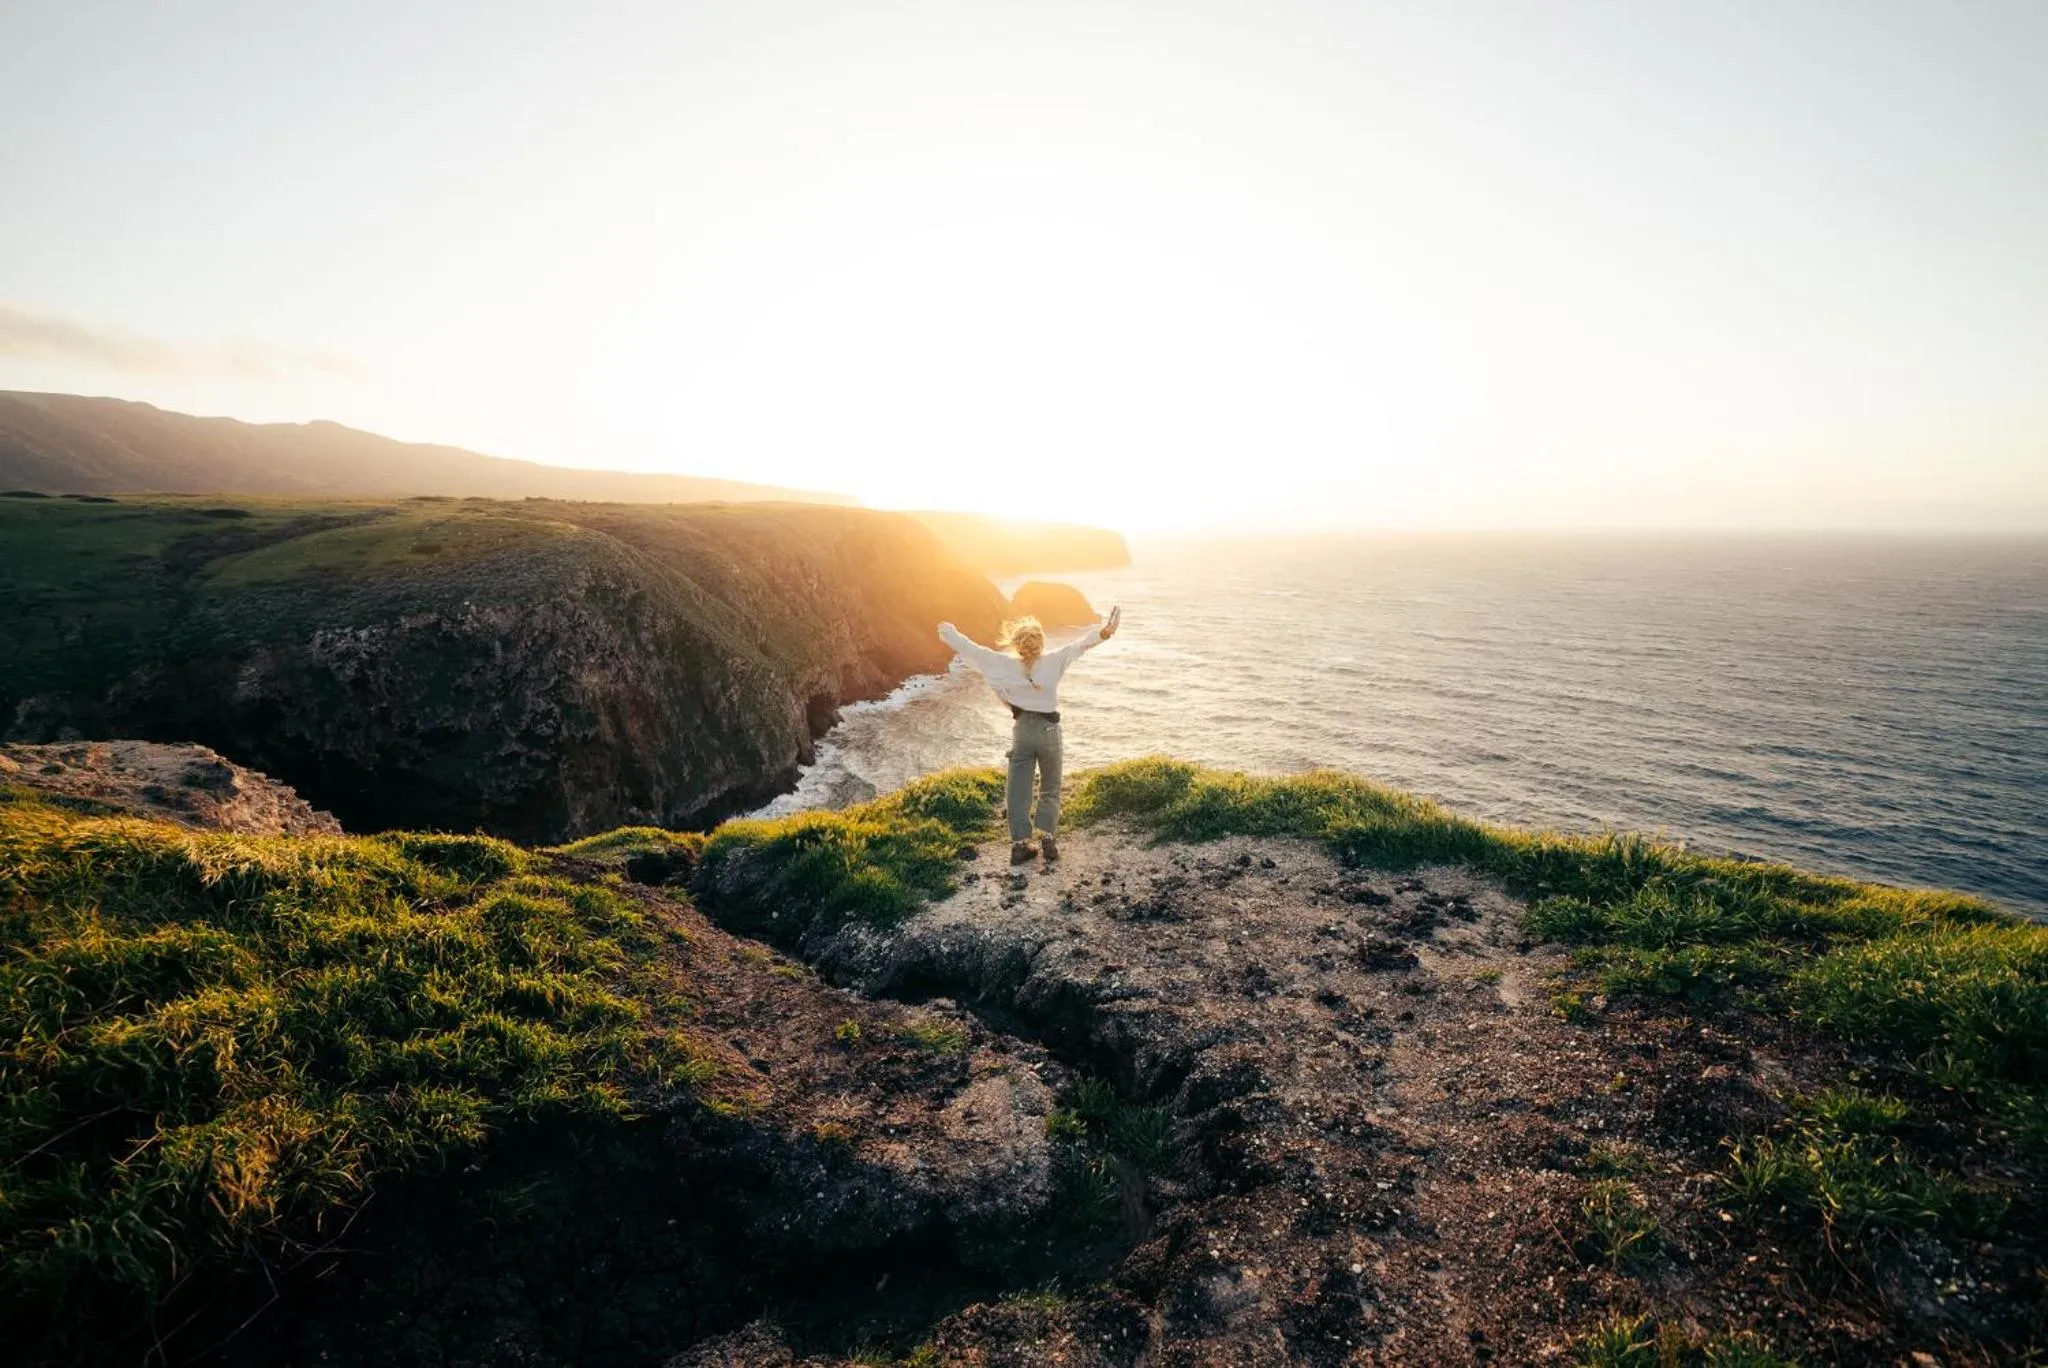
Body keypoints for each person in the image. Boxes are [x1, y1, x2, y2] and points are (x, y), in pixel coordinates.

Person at [937, 605, 1121, 867]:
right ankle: (1048, 840)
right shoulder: (1054, 660)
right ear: (1041, 642)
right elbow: (1081, 645)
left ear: (1016, 644)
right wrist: (1105, 632)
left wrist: (948, 631)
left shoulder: (1001, 663)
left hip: (1022, 731)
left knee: (1018, 789)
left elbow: (972, 649)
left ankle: (1020, 846)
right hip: (1049, 732)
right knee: (1050, 787)